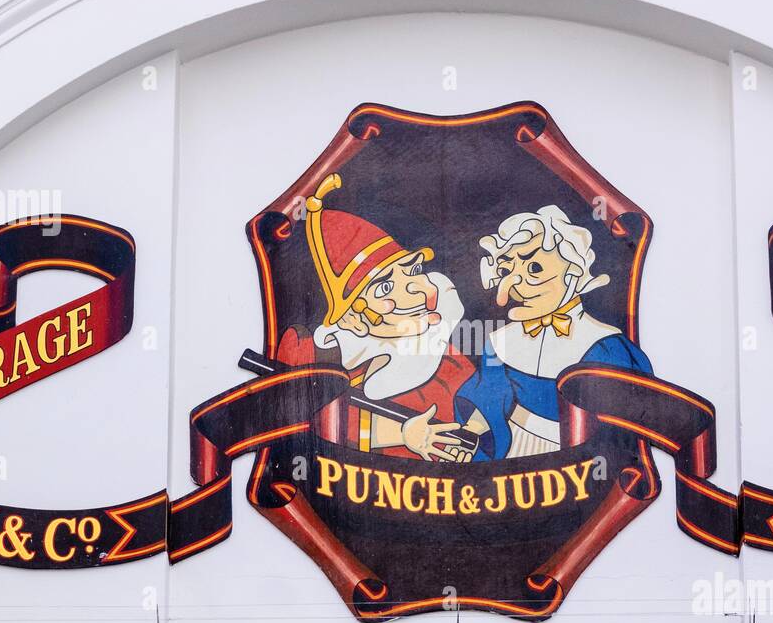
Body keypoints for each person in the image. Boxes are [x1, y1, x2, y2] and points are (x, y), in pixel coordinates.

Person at [274, 174, 475, 462]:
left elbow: (474, 433)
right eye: (385, 287)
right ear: (352, 319)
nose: (416, 292)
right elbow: (301, 427)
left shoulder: (449, 366)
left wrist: (468, 450)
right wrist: (401, 435)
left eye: (413, 272)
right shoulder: (311, 357)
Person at [456, 204, 651, 459]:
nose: (515, 285)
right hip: (510, 451)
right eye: (506, 271)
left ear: (572, 271)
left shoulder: (607, 347)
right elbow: (489, 398)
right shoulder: (500, 342)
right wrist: (470, 434)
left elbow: (626, 425)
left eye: (534, 269)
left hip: (577, 460)